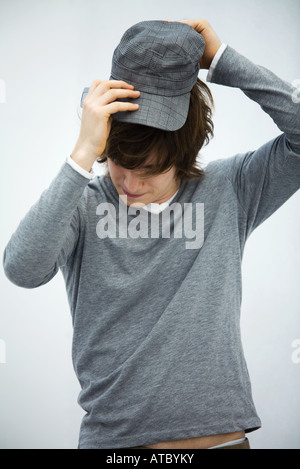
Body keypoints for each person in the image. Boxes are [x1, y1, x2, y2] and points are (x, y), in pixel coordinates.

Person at [3, 19, 300, 450]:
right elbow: (22, 269)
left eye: (150, 170)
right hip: (116, 449)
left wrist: (222, 61)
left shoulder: (230, 188)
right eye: (119, 162)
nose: (131, 183)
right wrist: (83, 152)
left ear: (185, 153)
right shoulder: (82, 203)